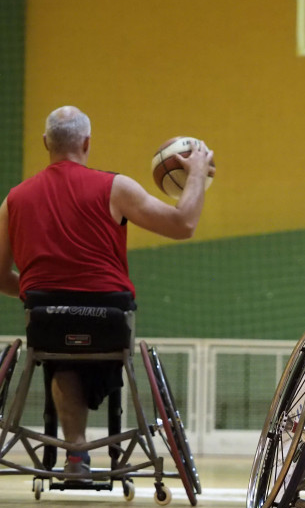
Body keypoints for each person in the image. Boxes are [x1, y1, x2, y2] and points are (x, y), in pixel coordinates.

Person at [0, 105, 214, 477]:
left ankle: (76, 452)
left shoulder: (14, 200)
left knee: (61, 353)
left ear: (45, 143)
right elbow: (183, 224)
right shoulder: (114, 187)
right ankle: (101, 446)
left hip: (46, 322)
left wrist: (40, 296)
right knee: (92, 340)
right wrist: (195, 174)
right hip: (109, 321)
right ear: (86, 142)